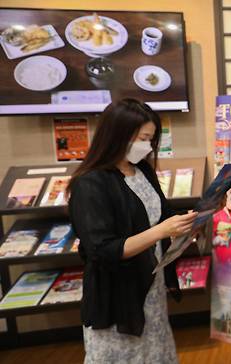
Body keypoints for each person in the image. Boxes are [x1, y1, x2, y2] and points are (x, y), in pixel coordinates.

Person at [67, 99, 197, 363]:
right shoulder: (89, 184)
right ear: (117, 135)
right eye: (142, 138)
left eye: (151, 139)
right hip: (117, 296)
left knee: (156, 353)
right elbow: (102, 250)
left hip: (150, 286)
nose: (147, 146)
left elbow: (162, 212)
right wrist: (160, 231)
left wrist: (192, 219)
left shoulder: (142, 170)